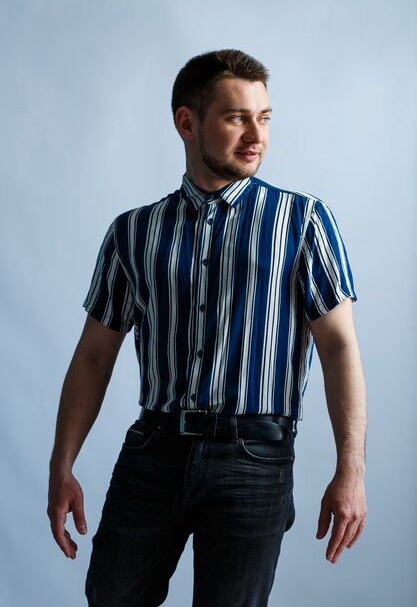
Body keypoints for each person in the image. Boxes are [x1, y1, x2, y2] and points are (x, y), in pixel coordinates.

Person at [48, 49, 367, 607]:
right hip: (154, 450)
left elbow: (339, 348)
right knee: (111, 597)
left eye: (264, 118)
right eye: (236, 117)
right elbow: (95, 355)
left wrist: (351, 471)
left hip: (256, 458)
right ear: (186, 122)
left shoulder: (303, 220)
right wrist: (62, 464)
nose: (256, 135)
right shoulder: (132, 233)